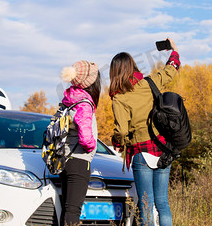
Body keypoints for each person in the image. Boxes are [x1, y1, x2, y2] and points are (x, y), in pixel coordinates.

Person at [109, 38, 180, 226]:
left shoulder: (119, 98)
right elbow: (171, 70)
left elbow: (122, 131)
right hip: (163, 149)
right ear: (133, 67)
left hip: (141, 151)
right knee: (162, 203)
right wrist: (173, 50)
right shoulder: (149, 83)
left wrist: (118, 141)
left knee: (146, 206)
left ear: (114, 73)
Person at [59, 60, 101, 226]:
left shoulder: (68, 99)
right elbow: (85, 136)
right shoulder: (84, 103)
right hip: (79, 160)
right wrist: (92, 147)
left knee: (67, 208)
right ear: (90, 82)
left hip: (66, 158)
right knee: (73, 211)